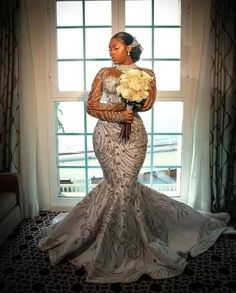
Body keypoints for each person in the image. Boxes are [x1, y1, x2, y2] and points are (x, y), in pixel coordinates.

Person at [38, 32, 230, 283]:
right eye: (109, 48)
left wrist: (132, 103)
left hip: (134, 137)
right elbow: (91, 105)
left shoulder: (146, 74)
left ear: (129, 48)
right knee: (116, 187)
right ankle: (104, 242)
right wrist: (119, 111)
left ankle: (122, 246)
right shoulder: (104, 73)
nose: (110, 51)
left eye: (115, 47)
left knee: (125, 188)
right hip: (105, 137)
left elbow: (148, 103)